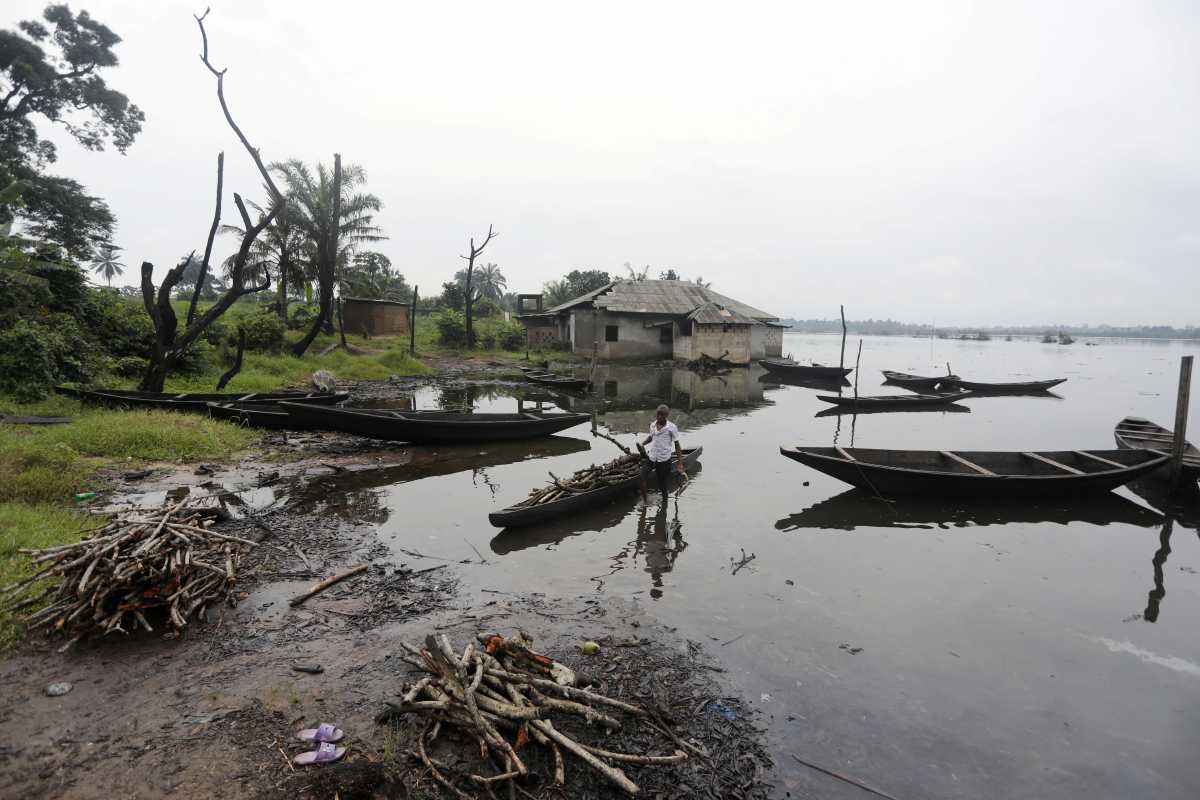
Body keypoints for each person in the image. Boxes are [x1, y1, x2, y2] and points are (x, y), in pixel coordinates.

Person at [639, 404, 687, 504]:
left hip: (664, 460)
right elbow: (651, 437)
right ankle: (645, 502)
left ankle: (664, 505)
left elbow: (677, 446)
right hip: (652, 457)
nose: (660, 417)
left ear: (666, 416)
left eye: (662, 415)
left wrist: (680, 463)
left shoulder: (671, 428)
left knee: (662, 485)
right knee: (642, 477)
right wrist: (643, 444)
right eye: (658, 414)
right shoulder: (653, 425)